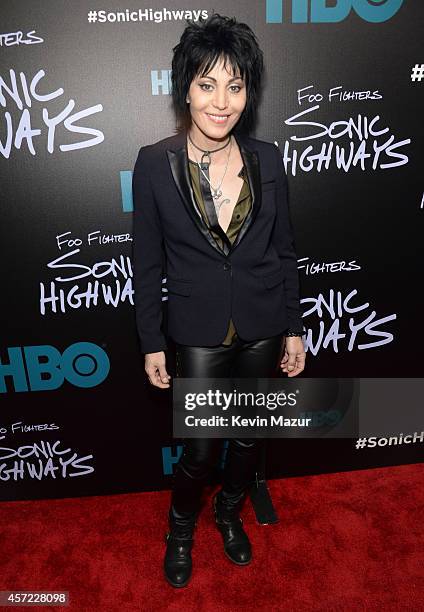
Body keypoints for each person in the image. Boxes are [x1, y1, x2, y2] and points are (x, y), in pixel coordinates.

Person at [132, 13, 306, 588]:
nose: (222, 102)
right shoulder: (155, 164)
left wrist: (295, 327)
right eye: (208, 84)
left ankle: (229, 513)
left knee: (249, 437)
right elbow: (148, 262)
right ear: (186, 88)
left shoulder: (269, 158)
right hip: (197, 329)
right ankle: (181, 527)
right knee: (200, 450)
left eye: (235, 86)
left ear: (248, 92)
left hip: (262, 322)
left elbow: (285, 251)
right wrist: (152, 341)